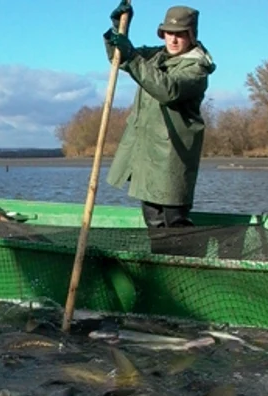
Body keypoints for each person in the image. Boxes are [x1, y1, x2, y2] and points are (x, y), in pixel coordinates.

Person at [103, 2, 216, 229]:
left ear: (191, 36)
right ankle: (160, 262)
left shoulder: (197, 69)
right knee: (153, 220)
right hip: (147, 154)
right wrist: (118, 30)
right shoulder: (155, 56)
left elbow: (168, 90)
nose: (173, 40)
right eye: (169, 33)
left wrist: (133, 57)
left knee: (175, 222)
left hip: (174, 156)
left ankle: (182, 263)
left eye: (180, 35)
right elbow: (120, 57)